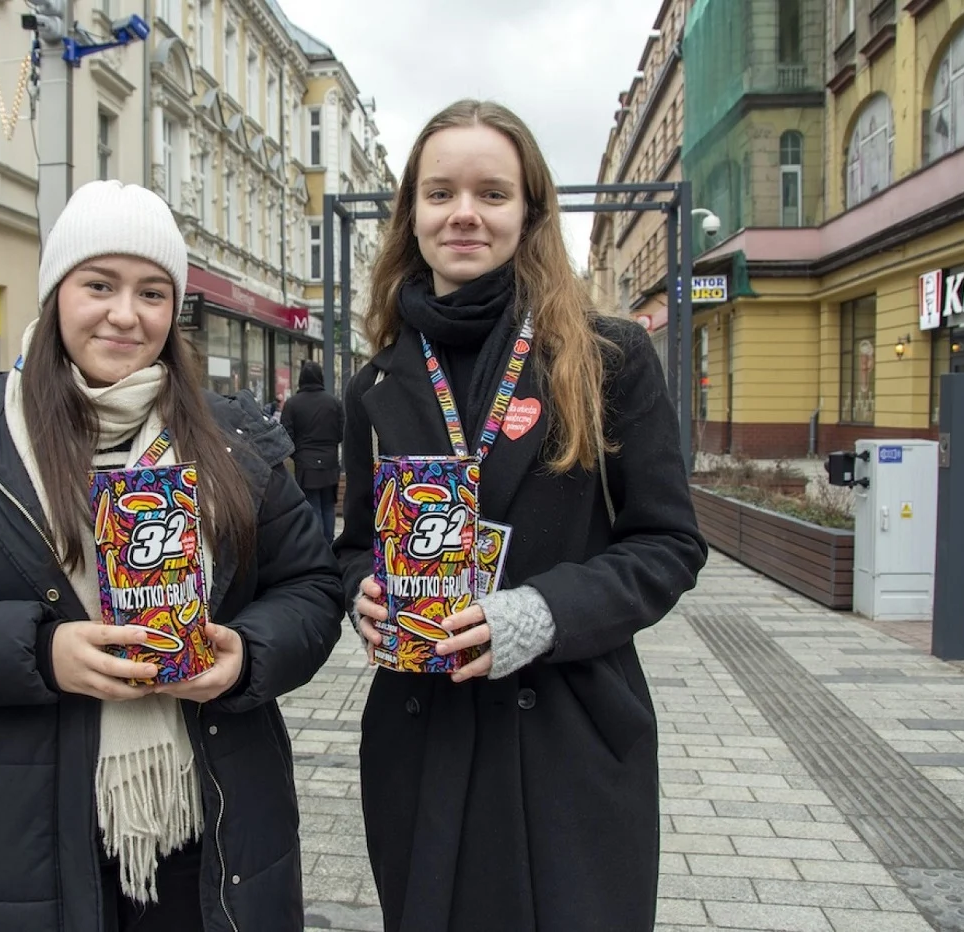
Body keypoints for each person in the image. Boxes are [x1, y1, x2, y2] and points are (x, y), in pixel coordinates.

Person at [0, 180, 344, 932]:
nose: (125, 314)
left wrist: (248, 655)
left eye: (151, 292)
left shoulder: (235, 438)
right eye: (98, 285)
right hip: (21, 833)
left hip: (213, 823)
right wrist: (41, 654)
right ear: (55, 294)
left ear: (174, 311)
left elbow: (310, 588)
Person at [334, 100, 708, 931]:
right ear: (412, 217)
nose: (464, 213)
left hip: (565, 734)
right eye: (439, 194)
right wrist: (361, 588)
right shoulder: (377, 384)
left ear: (530, 213)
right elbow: (355, 542)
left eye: (492, 194)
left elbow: (669, 544)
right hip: (423, 733)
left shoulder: (604, 356)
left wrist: (538, 614)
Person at [280, 360, 344, 540]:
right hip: (330, 463)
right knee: (328, 506)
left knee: (312, 505)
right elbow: (341, 433)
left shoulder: (292, 404)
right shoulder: (334, 403)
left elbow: (285, 436)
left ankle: (318, 547)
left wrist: (298, 456)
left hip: (306, 466)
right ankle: (330, 545)